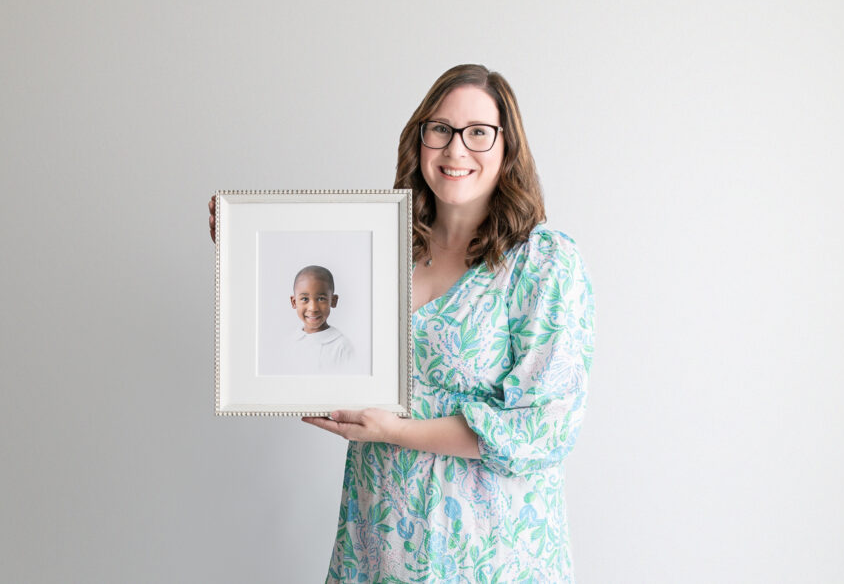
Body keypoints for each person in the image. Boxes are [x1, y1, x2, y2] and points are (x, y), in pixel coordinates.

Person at [209, 64, 595, 582]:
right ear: (419, 141)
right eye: (440, 129)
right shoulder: (383, 248)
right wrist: (245, 249)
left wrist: (396, 431)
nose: (456, 150)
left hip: (493, 553)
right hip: (381, 532)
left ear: (508, 149)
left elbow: (544, 428)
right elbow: (325, 333)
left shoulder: (544, 263)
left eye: (479, 133)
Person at [288, 265, 357, 374]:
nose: (313, 308)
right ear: (294, 302)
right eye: (305, 299)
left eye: (321, 299)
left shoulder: (342, 347)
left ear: (333, 301)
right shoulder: (290, 341)